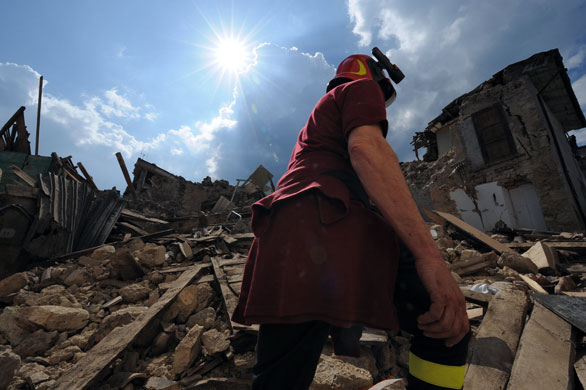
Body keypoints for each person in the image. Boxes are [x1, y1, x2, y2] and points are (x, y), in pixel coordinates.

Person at [232, 51, 470, 390]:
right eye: (382, 97)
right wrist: (430, 258)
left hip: (283, 235)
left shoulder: (312, 127)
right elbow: (366, 150)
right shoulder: (359, 89)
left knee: (279, 377)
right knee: (445, 323)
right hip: (326, 226)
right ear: (374, 80)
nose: (380, 109)